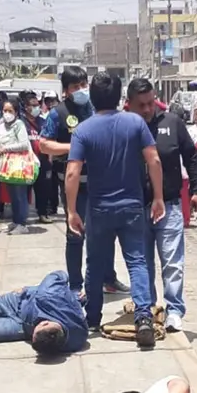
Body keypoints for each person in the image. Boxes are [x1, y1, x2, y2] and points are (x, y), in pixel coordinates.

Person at [66, 73, 165, 349]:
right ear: (120, 96)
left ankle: (93, 317)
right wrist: (157, 197)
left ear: (93, 97)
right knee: (137, 262)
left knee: (95, 264)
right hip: (132, 206)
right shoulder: (134, 123)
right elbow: (154, 159)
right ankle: (143, 317)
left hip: (98, 208)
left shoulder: (84, 130)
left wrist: (71, 210)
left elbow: (73, 172)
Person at [40, 66, 128, 295]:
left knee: (106, 233)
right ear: (66, 90)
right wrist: (75, 147)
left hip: (101, 181)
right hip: (74, 184)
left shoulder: (95, 108)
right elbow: (44, 144)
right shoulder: (57, 113)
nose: (80, 90)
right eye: (75, 87)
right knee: (76, 233)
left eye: (83, 85)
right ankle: (76, 285)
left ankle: (108, 278)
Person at [127, 78, 197, 332]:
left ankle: (174, 310)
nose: (148, 109)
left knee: (172, 263)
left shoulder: (172, 123)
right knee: (143, 263)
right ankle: (147, 309)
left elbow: (192, 157)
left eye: (151, 103)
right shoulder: (125, 128)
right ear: (130, 105)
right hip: (137, 208)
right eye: (142, 105)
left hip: (169, 206)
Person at [0, 97, 36, 234]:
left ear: (16, 112)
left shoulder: (19, 125)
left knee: (20, 195)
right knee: (12, 195)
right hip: (5, 166)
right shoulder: (0, 126)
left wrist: (6, 148)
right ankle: (16, 221)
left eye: (10, 110)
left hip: (18, 165)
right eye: (4, 110)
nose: (7, 113)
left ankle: (22, 223)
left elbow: (23, 144)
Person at [21, 90, 53, 223]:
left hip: (42, 160)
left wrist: (50, 159)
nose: (36, 108)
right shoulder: (21, 123)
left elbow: (49, 139)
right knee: (24, 190)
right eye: (33, 105)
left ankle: (42, 213)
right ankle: (22, 216)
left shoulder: (43, 122)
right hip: (27, 162)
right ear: (26, 107)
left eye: (37, 105)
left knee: (43, 189)